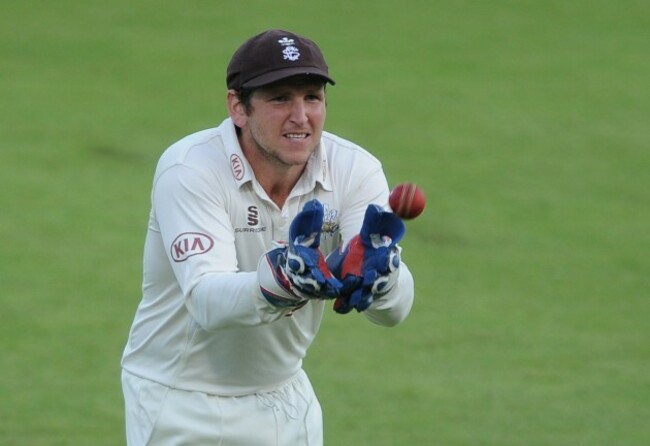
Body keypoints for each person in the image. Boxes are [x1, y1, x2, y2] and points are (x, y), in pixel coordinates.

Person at [121, 29, 415, 446]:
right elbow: (206, 301)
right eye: (280, 99)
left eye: (312, 97)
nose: (301, 116)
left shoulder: (355, 170)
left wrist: (384, 279)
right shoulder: (190, 169)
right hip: (183, 401)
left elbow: (393, 314)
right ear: (238, 107)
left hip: (286, 397)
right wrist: (282, 278)